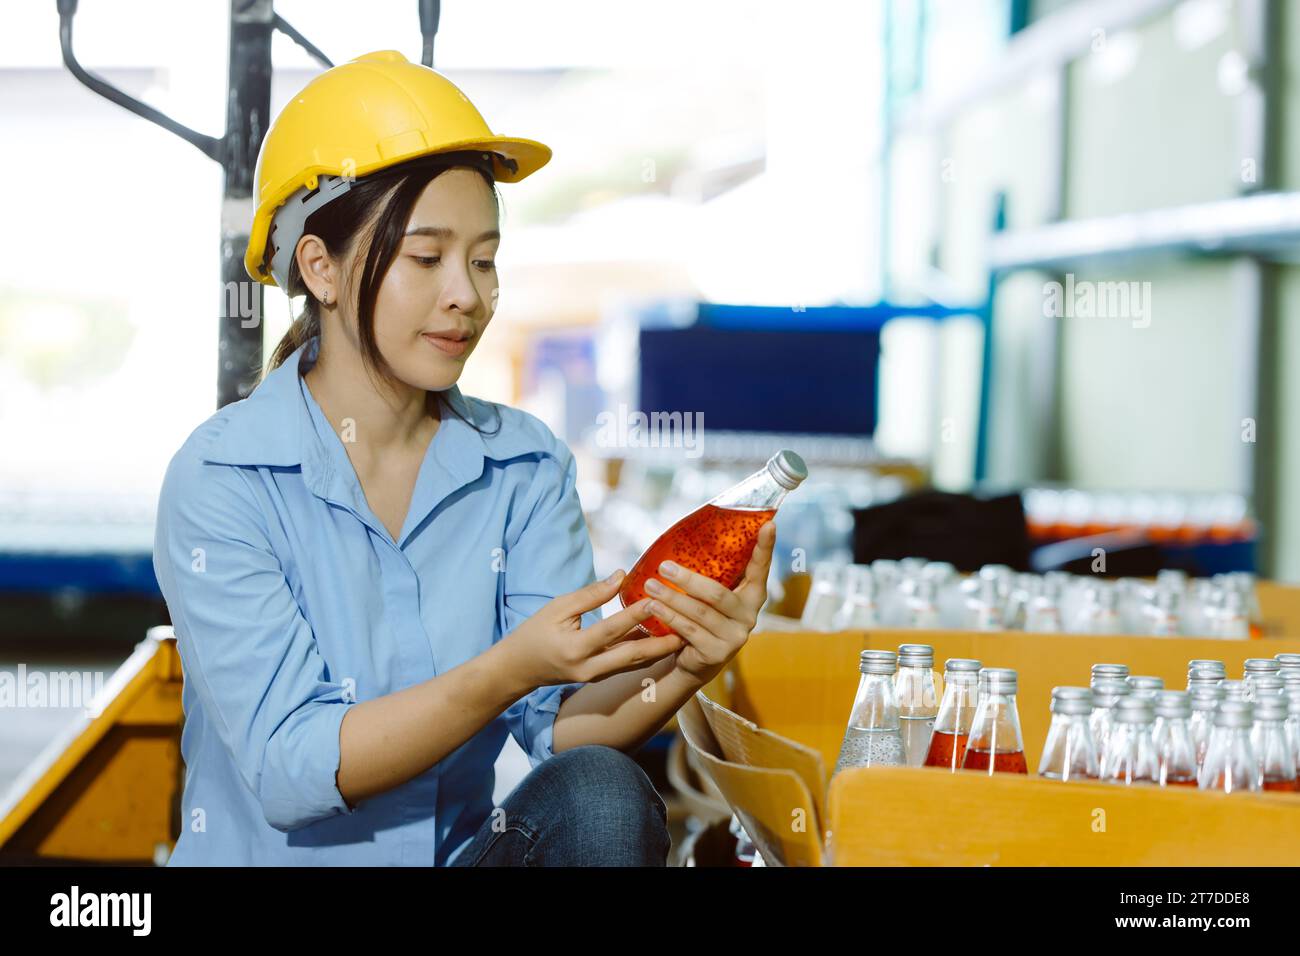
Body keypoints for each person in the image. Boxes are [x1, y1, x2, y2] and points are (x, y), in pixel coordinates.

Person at [152, 50, 775, 866]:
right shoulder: (225, 478)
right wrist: (503, 671)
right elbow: (288, 766)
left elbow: (559, 725)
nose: (468, 295)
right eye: (426, 258)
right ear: (320, 268)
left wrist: (693, 656)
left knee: (600, 791)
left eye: (484, 260)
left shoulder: (524, 466)